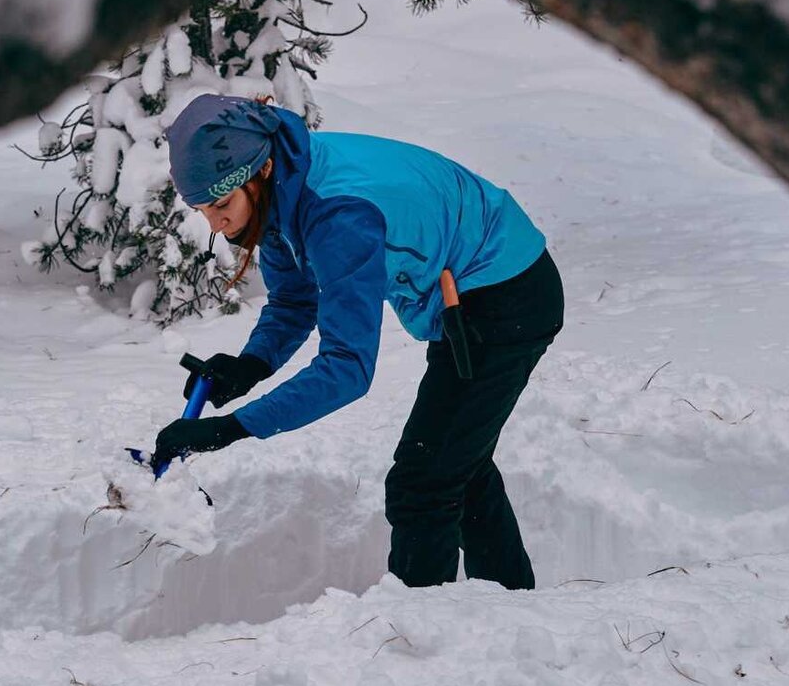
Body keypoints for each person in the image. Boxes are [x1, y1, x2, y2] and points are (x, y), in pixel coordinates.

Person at [154, 93, 563, 590]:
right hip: (477, 288)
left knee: (422, 484)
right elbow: (293, 302)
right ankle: (508, 607)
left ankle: (420, 637)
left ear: (259, 170)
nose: (215, 225)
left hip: (505, 294)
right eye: (202, 210)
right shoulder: (282, 190)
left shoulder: (336, 214)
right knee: (456, 463)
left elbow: (348, 368)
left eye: (221, 205)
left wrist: (234, 428)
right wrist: (250, 365)